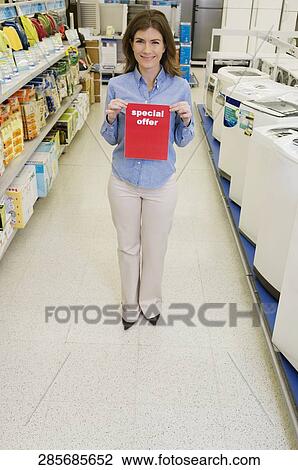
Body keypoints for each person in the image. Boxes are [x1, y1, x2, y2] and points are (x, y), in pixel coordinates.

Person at [101, 9, 194, 330]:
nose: (147, 49)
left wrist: (186, 119)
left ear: (166, 46)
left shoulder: (180, 87)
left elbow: (183, 141)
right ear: (130, 45)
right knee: (127, 245)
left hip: (161, 182)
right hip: (123, 180)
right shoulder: (117, 85)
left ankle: (150, 302)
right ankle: (129, 303)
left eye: (155, 42)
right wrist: (111, 117)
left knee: (156, 246)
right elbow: (111, 137)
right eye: (140, 41)